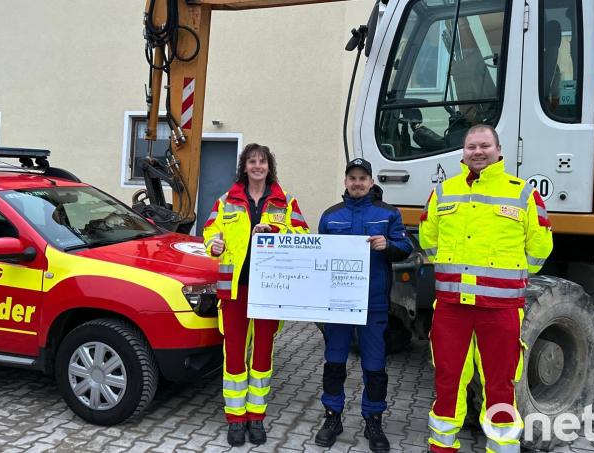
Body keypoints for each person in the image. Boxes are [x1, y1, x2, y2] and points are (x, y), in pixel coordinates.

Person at [419, 125, 553, 453]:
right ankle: (441, 445)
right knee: (447, 380)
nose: (477, 152)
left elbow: (540, 248)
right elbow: (428, 239)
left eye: (484, 146)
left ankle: (502, 446)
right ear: (463, 152)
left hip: (500, 308)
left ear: (498, 150)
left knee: (500, 384)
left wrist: (506, 278)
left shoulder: (522, 193)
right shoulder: (443, 192)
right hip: (451, 306)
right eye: (471, 147)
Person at [203, 143, 310, 447]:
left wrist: (276, 233)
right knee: (234, 354)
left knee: (263, 353)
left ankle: (256, 416)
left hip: (270, 289)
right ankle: (236, 419)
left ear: (269, 166)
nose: (257, 166)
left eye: (262, 161)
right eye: (252, 161)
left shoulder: (285, 201)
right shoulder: (226, 200)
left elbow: (303, 234)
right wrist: (214, 246)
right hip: (234, 289)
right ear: (245, 166)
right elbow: (209, 233)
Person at [314, 158, 413, 453]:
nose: (357, 183)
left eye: (362, 178)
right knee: (334, 361)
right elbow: (318, 257)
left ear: (371, 182)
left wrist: (389, 245)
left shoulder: (388, 214)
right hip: (337, 304)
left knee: (374, 365)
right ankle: (332, 417)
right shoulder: (330, 216)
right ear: (345, 182)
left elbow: (406, 247)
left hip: (374, 305)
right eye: (352, 178)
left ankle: (373, 420)